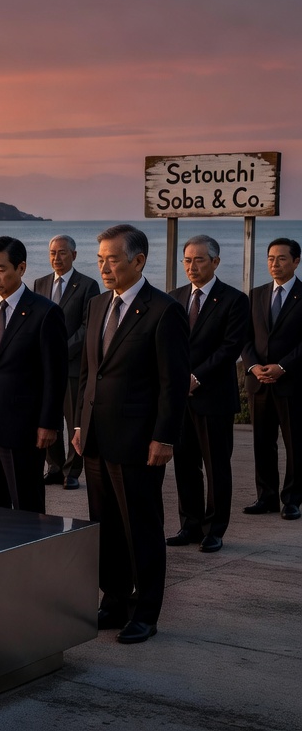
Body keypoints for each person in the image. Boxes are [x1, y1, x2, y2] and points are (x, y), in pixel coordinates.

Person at [72, 224, 189, 644]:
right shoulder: (98, 304)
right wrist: (81, 424)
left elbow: (172, 384)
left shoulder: (164, 311)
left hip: (140, 441)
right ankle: (115, 600)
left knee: (141, 526)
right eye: (100, 258)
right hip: (97, 437)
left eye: (113, 259)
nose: (104, 266)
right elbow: (90, 371)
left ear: (138, 261)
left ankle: (146, 611)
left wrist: (165, 437)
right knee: (105, 526)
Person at [0, 237, 67, 513]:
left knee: (26, 505)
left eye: (0, 269)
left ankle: (32, 555)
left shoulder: (45, 312)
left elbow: (55, 375)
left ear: (21, 268)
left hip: (24, 427)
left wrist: (49, 423)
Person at [167, 235, 248, 551]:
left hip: (213, 396)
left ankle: (214, 529)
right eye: (187, 260)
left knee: (216, 466)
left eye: (199, 260)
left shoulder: (234, 300)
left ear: (215, 262)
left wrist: (196, 377)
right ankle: (190, 525)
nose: (192, 266)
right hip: (179, 398)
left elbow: (230, 348)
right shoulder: (174, 298)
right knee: (184, 465)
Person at [240, 238, 302, 521]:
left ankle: (292, 499)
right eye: (270, 259)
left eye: (281, 259)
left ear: (296, 262)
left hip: (291, 382)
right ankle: (266, 497)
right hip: (259, 382)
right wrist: (253, 367)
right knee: (262, 442)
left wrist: (281, 366)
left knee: (294, 444)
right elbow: (244, 337)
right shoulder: (256, 294)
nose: (274, 264)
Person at [33, 234, 99, 490]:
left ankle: (72, 470)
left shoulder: (87, 285)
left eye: (62, 253)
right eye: (52, 253)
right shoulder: (40, 283)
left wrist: (61, 350)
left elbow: (87, 325)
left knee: (74, 421)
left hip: (72, 365)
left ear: (74, 255)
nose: (56, 258)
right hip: (44, 368)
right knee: (49, 416)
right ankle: (55, 467)